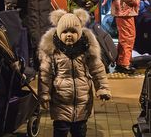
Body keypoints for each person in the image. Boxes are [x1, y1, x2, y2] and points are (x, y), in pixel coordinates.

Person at [38, 8, 111, 137]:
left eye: (73, 31)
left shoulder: (86, 49)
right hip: (60, 99)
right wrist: (44, 94)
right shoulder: (53, 51)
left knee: (80, 130)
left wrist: (103, 88)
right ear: (59, 32)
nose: (69, 35)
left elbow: (98, 70)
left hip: (82, 100)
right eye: (65, 32)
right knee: (60, 130)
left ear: (79, 32)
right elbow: (45, 74)